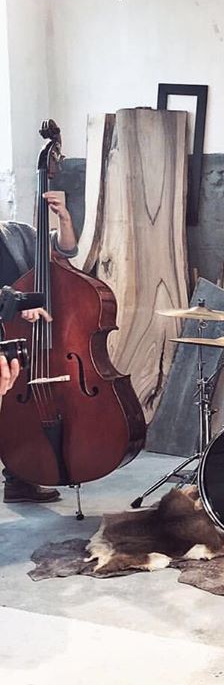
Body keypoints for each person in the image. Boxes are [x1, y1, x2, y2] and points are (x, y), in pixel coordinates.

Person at [0, 191, 78, 502]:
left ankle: (19, 478)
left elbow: (63, 250)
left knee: (21, 409)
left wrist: (65, 218)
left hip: (21, 336)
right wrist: (18, 301)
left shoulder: (17, 234)